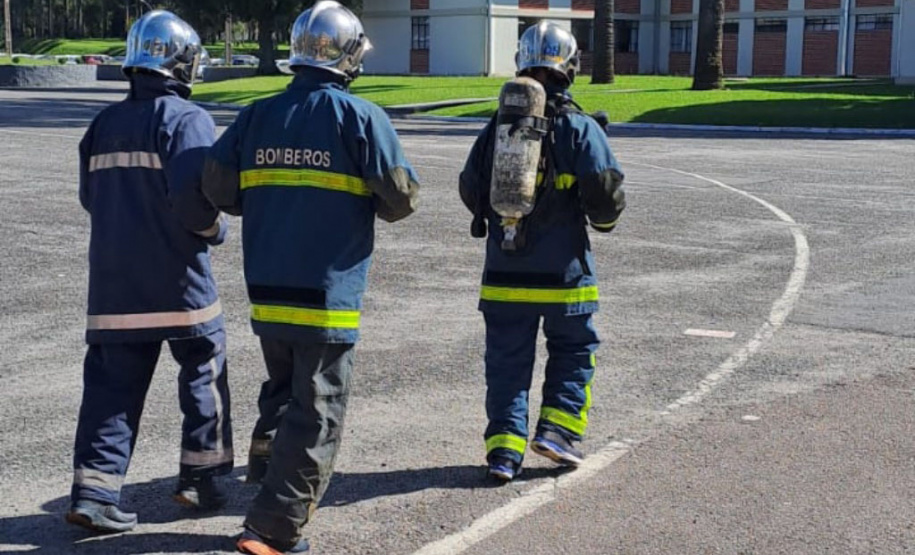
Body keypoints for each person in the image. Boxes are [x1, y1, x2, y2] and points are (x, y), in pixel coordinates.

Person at [201, 2, 419, 553]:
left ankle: (268, 477)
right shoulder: (361, 118)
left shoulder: (255, 114)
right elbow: (400, 199)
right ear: (348, 56)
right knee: (318, 411)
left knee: (282, 391)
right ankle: (272, 528)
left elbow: (220, 189)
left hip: (267, 293)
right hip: (327, 296)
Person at [66, 10, 233, 534]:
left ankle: (94, 494)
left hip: (114, 285)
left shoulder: (102, 125)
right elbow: (194, 198)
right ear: (181, 63)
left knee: (110, 389)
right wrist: (214, 232)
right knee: (204, 369)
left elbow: (90, 198)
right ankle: (198, 478)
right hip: (180, 282)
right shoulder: (187, 119)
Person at [459, 21, 626, 482]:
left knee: (506, 364)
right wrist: (602, 223)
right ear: (569, 65)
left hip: (503, 277)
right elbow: (606, 195)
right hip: (565, 279)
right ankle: (557, 433)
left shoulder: (497, 127)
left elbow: (470, 187)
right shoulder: (579, 127)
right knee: (574, 351)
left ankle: (503, 453)